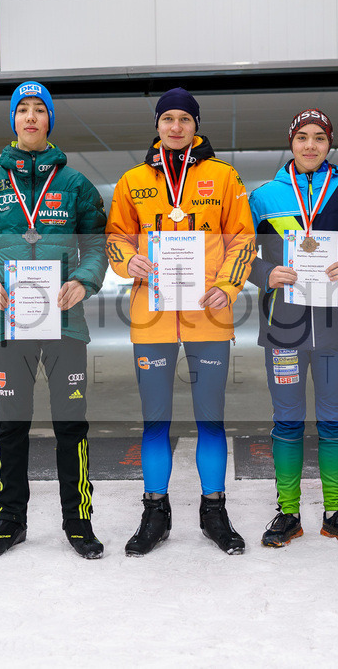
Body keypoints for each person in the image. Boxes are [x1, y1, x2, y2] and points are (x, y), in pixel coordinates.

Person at [0, 81, 108, 560]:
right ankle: (10, 522)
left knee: (71, 426)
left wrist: (84, 279)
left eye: (39, 110)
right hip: (11, 323)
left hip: (66, 322)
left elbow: (98, 245)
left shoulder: (75, 184)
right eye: (21, 109)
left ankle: (78, 521)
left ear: (49, 121)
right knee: (11, 427)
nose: (30, 117)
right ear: (13, 121)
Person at [106, 87, 255, 556]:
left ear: (196, 125)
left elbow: (243, 239)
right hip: (151, 317)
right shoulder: (132, 180)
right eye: (167, 118)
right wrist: (126, 260)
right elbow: (115, 237)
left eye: (184, 119)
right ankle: (156, 512)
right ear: (157, 124)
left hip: (209, 314)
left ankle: (214, 511)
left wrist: (229, 285)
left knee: (211, 419)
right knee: (155, 421)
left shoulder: (223, 176)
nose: (176, 126)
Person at [247, 109, 338, 548]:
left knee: (334, 420)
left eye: (319, 138)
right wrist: (265, 272)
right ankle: (288, 512)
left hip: (335, 327)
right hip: (282, 327)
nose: (310, 145)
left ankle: (335, 512)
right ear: (291, 142)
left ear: (329, 144)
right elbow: (239, 254)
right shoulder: (263, 197)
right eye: (302, 137)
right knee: (287, 421)